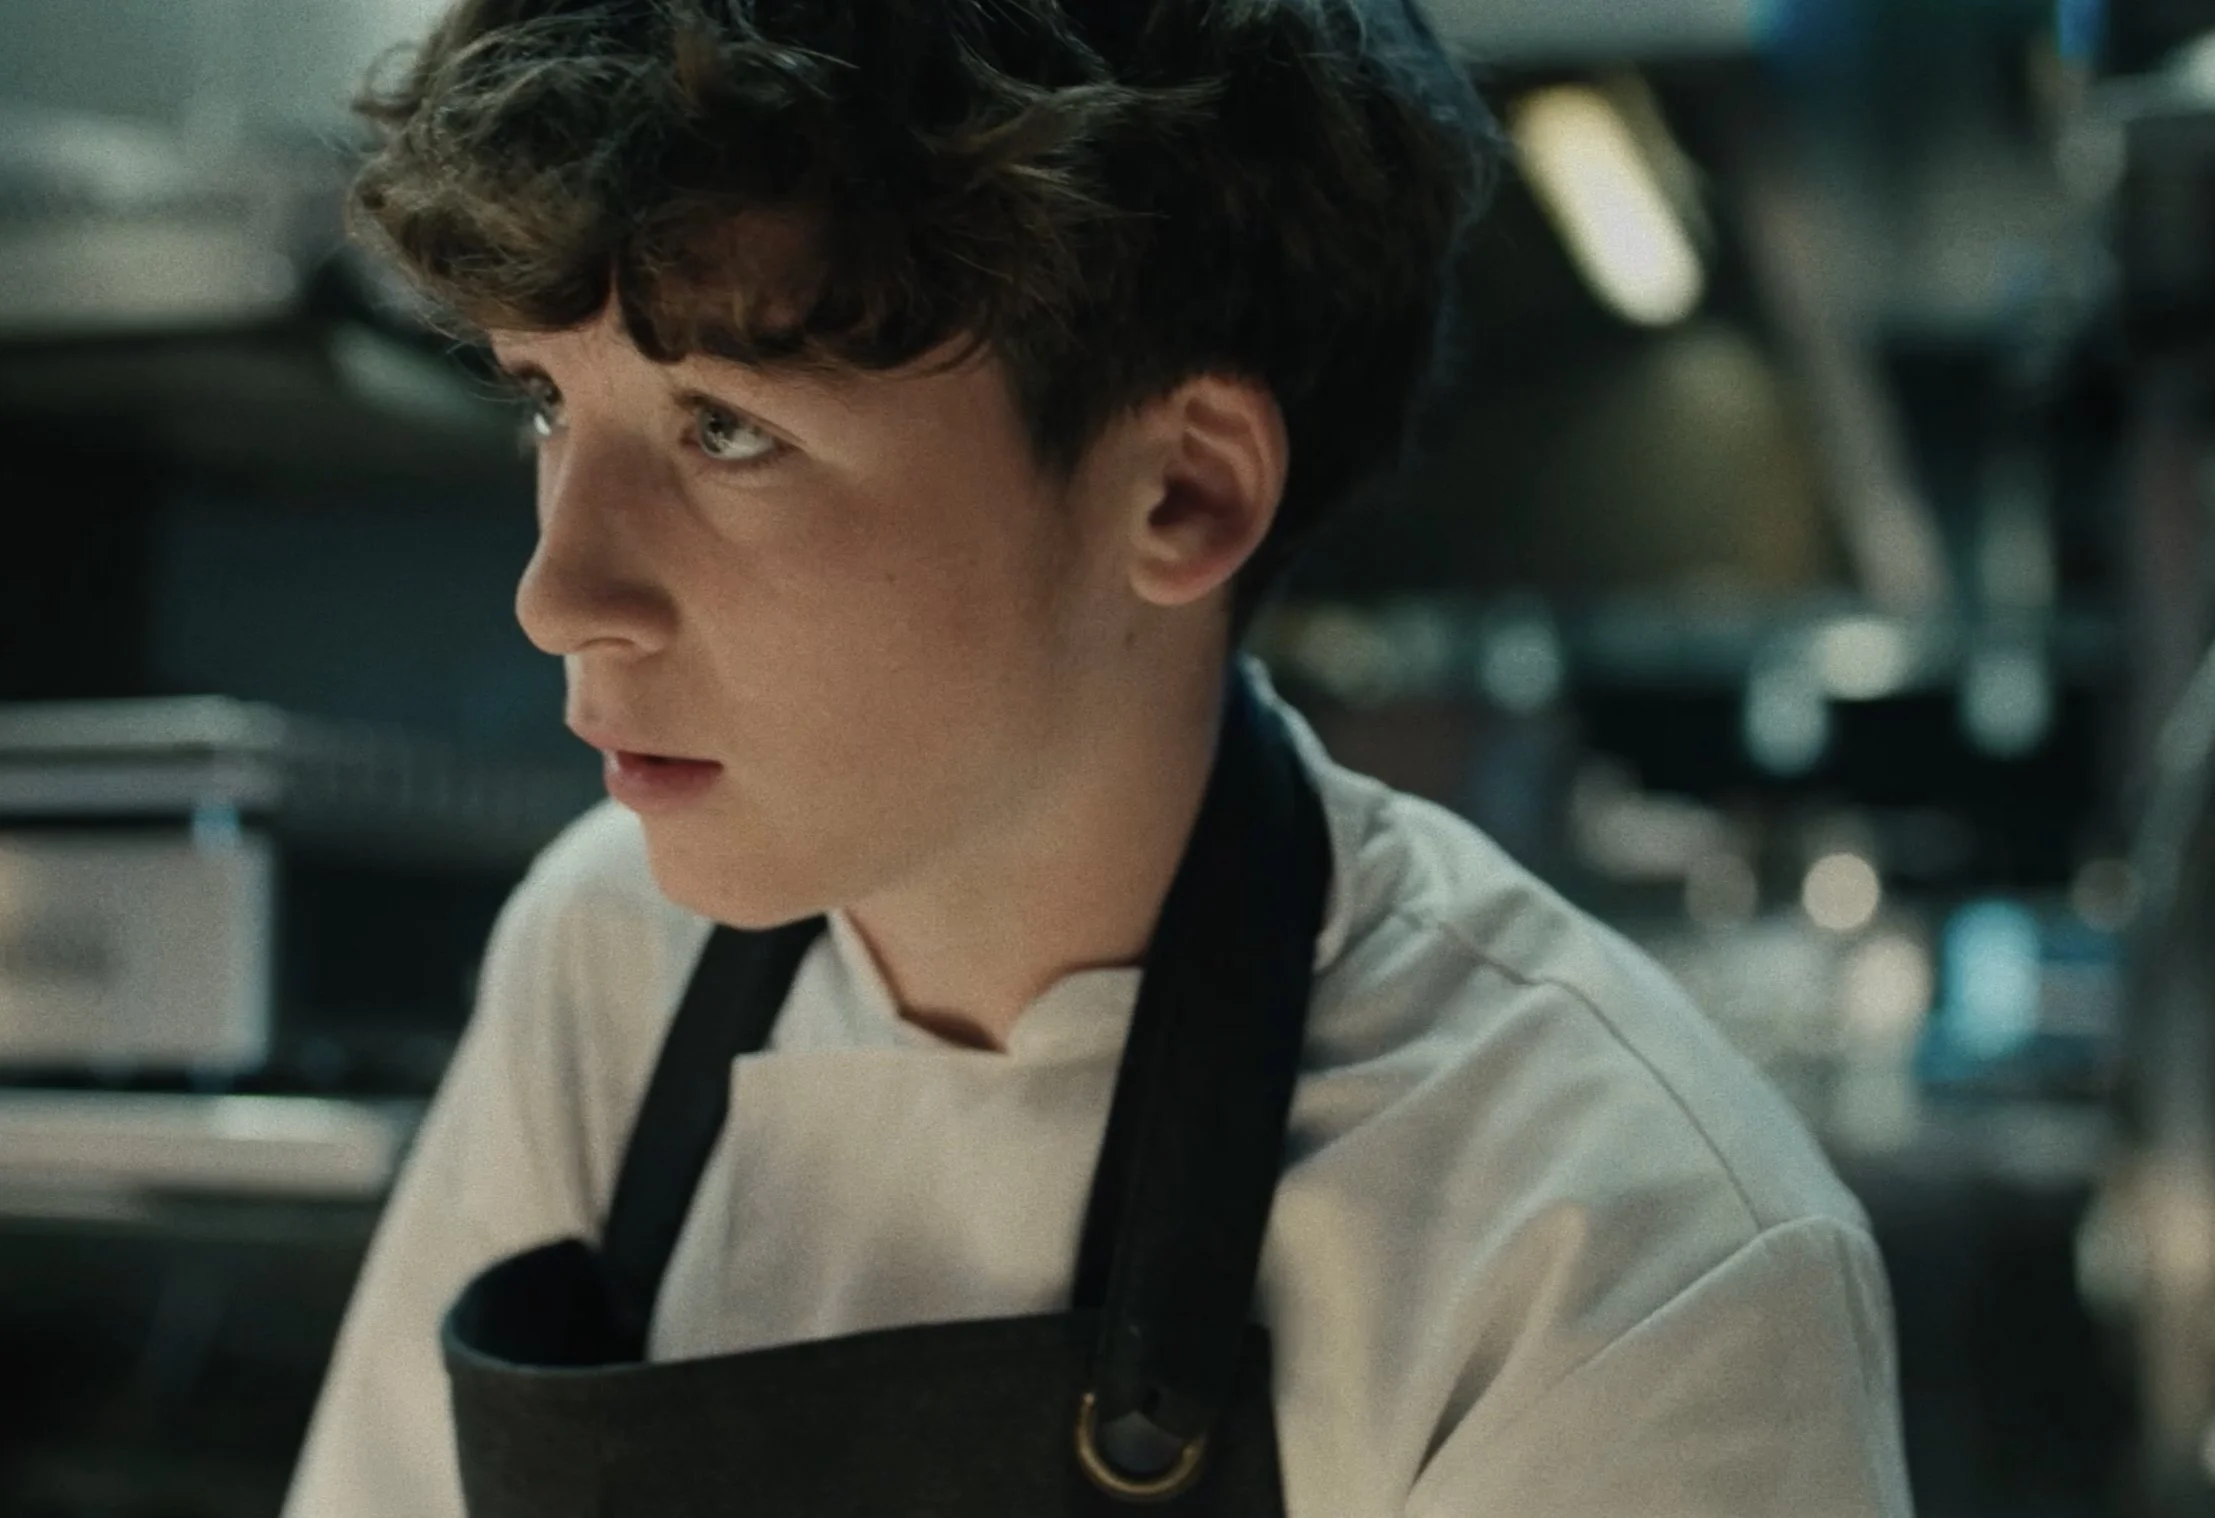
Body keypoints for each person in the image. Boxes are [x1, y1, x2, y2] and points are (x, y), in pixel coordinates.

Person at [283, 1, 1913, 1514]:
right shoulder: (606, 954)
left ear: (1180, 492)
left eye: (728, 429)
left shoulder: (1620, 1258)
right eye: (547, 405)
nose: (558, 593)